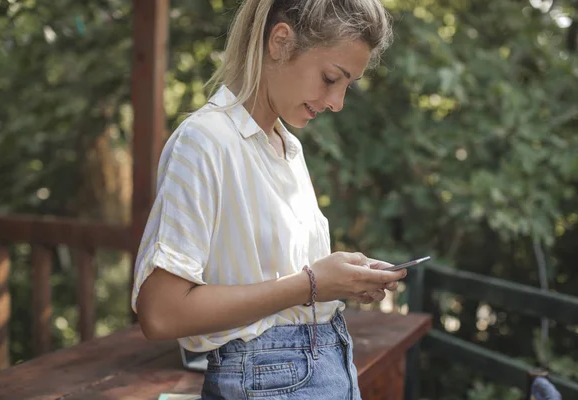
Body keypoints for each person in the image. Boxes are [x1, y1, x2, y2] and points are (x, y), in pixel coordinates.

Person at [132, 1, 405, 399]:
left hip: (326, 364)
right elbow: (160, 312)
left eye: (347, 85)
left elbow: (281, 285)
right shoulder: (205, 141)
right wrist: (311, 284)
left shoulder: (288, 149)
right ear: (280, 42)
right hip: (270, 379)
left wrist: (337, 282)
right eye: (331, 77)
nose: (337, 102)